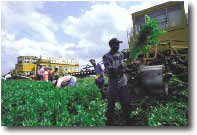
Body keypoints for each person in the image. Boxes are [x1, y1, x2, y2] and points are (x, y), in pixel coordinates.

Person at [103, 38, 131, 125]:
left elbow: (128, 61)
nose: (118, 46)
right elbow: (110, 70)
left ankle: (128, 120)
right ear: (111, 46)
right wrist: (121, 66)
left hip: (123, 80)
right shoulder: (106, 57)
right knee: (111, 102)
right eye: (116, 44)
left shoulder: (121, 54)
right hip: (113, 82)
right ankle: (110, 121)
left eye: (119, 44)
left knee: (125, 101)